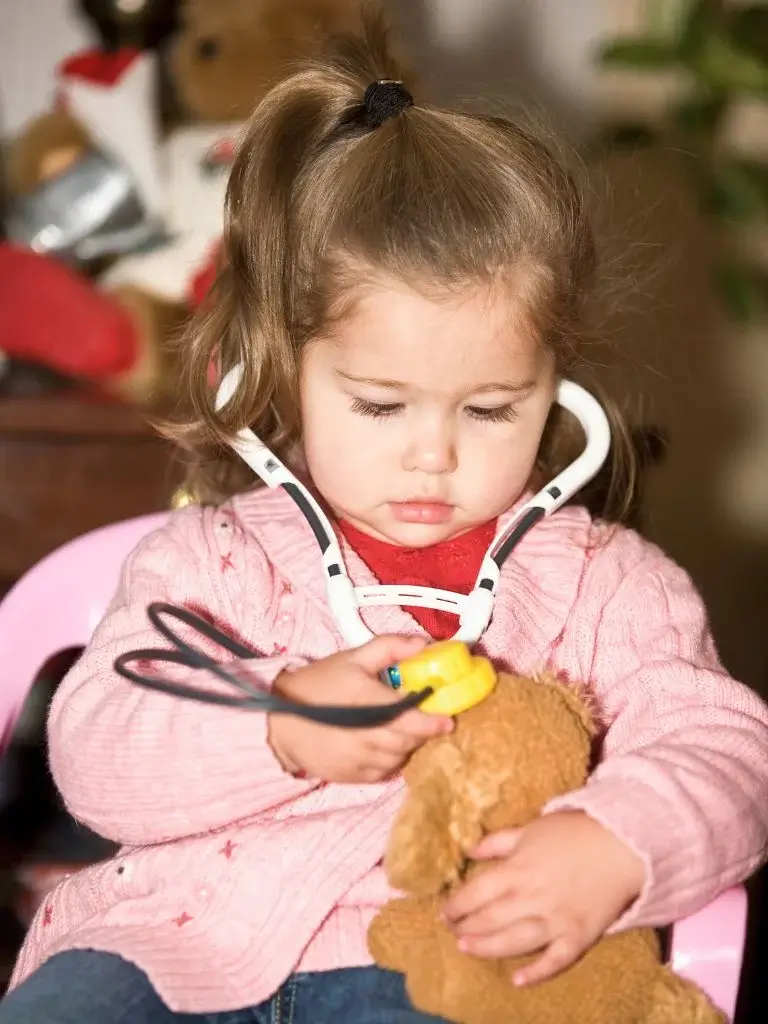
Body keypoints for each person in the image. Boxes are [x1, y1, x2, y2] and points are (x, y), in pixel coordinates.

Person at [3, 13, 767, 1024]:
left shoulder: (607, 585)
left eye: (489, 409)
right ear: (287, 370)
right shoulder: (210, 561)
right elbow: (96, 751)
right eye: (378, 405)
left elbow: (725, 749)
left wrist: (616, 840)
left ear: (554, 389)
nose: (432, 455)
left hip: (434, 958)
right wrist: (275, 726)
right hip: (162, 941)